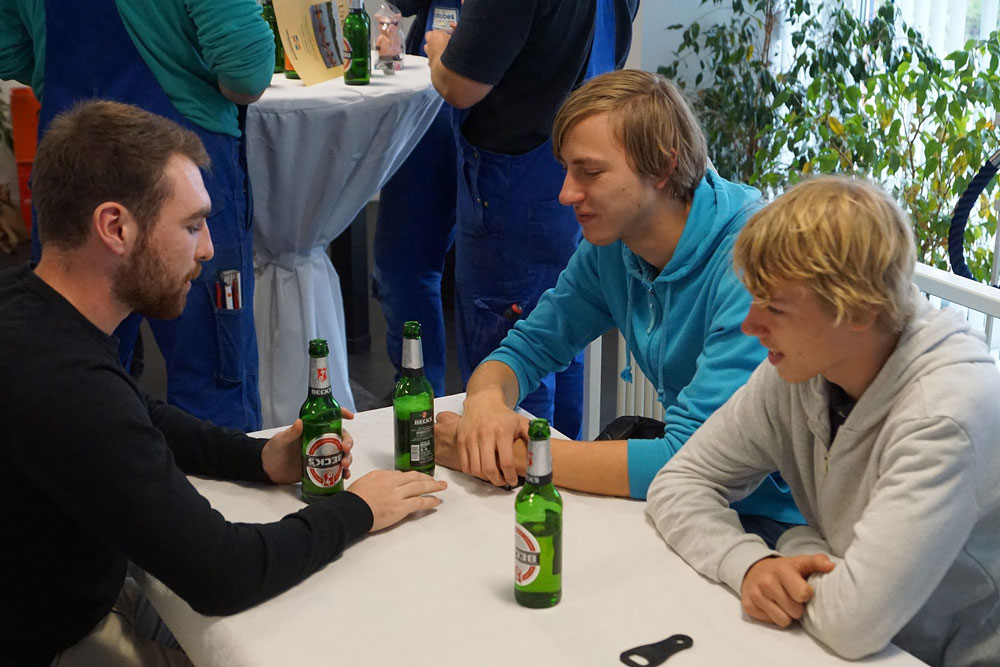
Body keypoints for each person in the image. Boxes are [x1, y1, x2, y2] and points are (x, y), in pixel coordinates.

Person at [0, 100, 447, 667]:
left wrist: (259, 458)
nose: (208, 248)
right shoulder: (66, 386)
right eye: (191, 226)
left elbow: (140, 412)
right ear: (115, 227)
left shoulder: (28, 308)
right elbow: (224, 572)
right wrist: (358, 509)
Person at [646, 176, 1000, 666]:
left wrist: (794, 541)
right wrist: (750, 563)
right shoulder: (805, 366)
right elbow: (678, 482)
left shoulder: (945, 412)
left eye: (775, 307)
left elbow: (853, 624)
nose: (750, 325)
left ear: (860, 311)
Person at [434, 69, 802, 534]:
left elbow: (690, 458)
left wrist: (517, 454)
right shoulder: (616, 245)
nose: (566, 194)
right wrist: (486, 403)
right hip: (699, 502)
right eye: (566, 170)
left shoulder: (750, 265)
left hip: (780, 522)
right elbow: (529, 347)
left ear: (663, 166)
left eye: (590, 172)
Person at [0, 0, 275, 431]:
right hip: (178, 166)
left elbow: (9, 48)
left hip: (72, 161)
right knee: (210, 379)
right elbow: (246, 70)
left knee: (73, 371)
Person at [374, 0, 637, 413]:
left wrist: (441, 50)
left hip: (517, 172)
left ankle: (524, 455)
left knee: (510, 354)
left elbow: (460, 86)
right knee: (560, 333)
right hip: (572, 152)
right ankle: (558, 452)